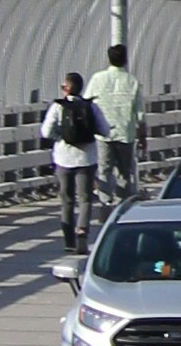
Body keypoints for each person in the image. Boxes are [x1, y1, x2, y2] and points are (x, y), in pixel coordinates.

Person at [46, 68, 102, 252]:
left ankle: (69, 241)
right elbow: (105, 130)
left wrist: (60, 137)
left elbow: (45, 132)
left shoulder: (58, 106)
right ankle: (82, 232)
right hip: (86, 159)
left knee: (67, 200)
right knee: (85, 199)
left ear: (67, 89)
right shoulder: (91, 106)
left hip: (63, 158)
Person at [86, 48, 144, 205]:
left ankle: (105, 204)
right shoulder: (132, 81)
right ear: (125, 60)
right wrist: (143, 137)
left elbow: (87, 104)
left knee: (104, 170)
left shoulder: (97, 79)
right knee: (124, 172)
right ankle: (122, 205)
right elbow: (139, 114)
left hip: (102, 133)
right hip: (125, 133)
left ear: (109, 59)